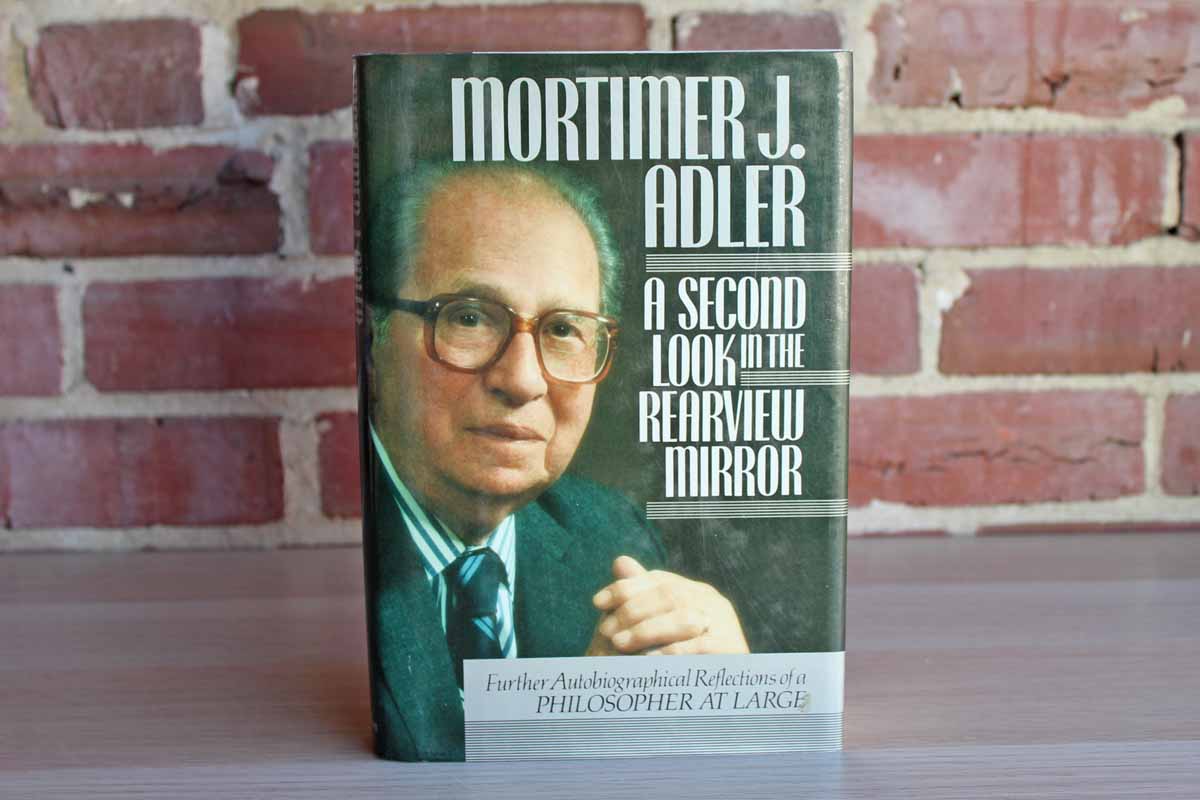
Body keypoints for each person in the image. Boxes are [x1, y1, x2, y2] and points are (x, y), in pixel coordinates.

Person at [364, 163, 748, 761]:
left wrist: (729, 699)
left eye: (564, 329)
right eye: (469, 317)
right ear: (373, 339)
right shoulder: (328, 561)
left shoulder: (609, 535)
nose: (522, 380)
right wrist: (577, 724)